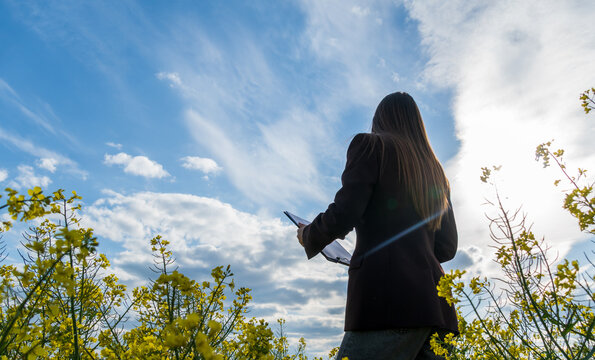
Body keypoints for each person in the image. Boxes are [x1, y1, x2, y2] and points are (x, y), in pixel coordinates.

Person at [296, 92, 458, 360]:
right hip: (437, 311)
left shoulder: (370, 146)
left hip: (388, 305)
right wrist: (411, 253)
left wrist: (309, 233)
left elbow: (345, 212)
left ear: (379, 119)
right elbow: (447, 247)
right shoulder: (436, 173)